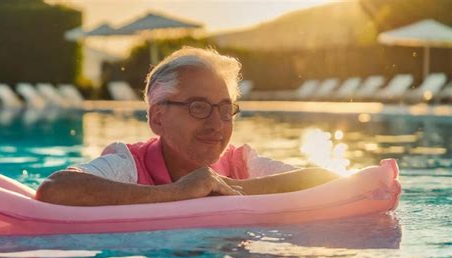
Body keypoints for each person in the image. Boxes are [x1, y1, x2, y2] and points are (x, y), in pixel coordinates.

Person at [35, 47, 339, 206]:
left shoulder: (241, 164)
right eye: (198, 107)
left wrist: (223, 189)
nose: (216, 123)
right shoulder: (128, 165)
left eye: (224, 109)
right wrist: (177, 192)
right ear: (158, 118)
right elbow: (55, 189)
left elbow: (327, 180)